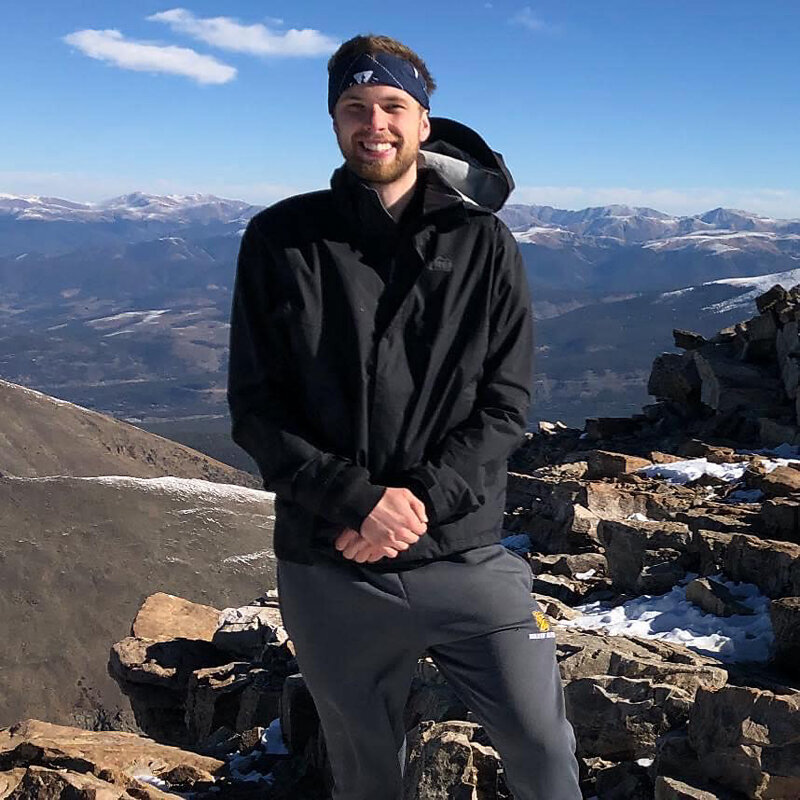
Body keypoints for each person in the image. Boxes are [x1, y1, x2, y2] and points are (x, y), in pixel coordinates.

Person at [227, 33, 581, 800]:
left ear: (424, 121)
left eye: (392, 105)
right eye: (354, 107)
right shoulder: (280, 240)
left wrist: (412, 503)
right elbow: (256, 410)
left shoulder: (482, 243)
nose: (373, 123)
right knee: (364, 773)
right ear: (333, 121)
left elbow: (505, 405)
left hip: (464, 555)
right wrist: (357, 502)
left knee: (543, 744)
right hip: (330, 564)